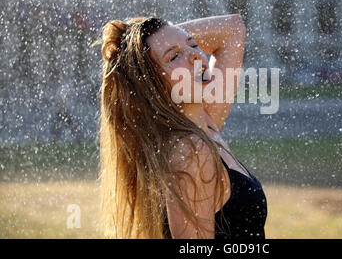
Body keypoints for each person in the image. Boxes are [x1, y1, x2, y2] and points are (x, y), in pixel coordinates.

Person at [91, 14, 267, 239]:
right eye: (174, 57)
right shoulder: (191, 152)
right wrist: (135, 60)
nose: (195, 55)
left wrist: (146, 42)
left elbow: (233, 28)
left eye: (193, 44)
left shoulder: (205, 123)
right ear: (150, 83)